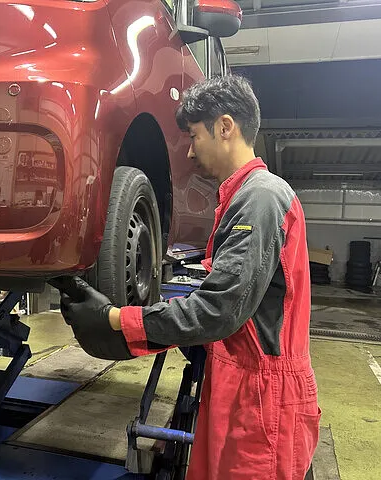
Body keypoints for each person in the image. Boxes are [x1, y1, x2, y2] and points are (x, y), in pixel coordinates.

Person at [55, 75, 321, 480]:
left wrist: (113, 318)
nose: (191, 152)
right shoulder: (242, 196)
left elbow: (218, 310)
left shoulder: (261, 197)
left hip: (263, 403)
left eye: (194, 136)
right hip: (243, 390)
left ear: (225, 127)